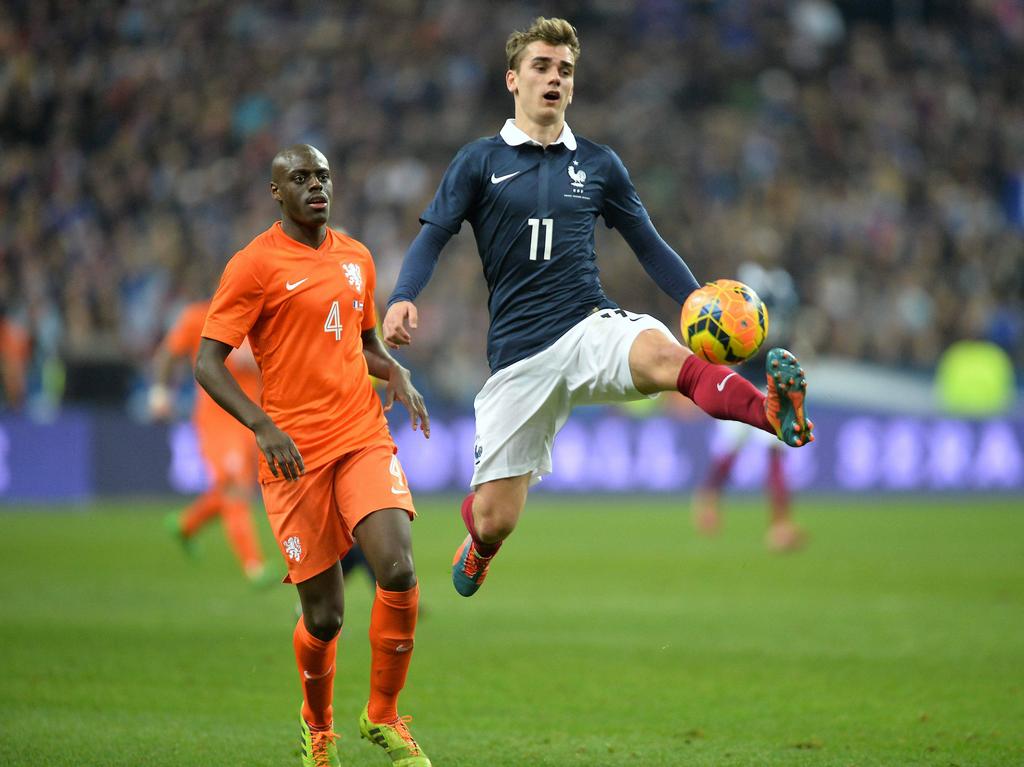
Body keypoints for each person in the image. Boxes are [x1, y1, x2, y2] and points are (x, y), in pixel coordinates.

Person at [383, 17, 814, 599]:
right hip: (517, 358)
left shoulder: (599, 164)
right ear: (513, 80)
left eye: (564, 69)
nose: (553, 78)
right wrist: (404, 297)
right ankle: (480, 547)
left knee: (667, 356)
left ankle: (770, 413)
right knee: (495, 518)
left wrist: (693, 299)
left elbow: (647, 243)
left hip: (589, 323)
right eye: (541, 67)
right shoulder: (479, 161)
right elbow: (433, 235)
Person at [195, 144, 432, 767]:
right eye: (300, 178)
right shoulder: (252, 266)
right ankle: (319, 725)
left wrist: (396, 373)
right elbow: (206, 362)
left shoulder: (356, 257)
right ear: (277, 192)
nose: (315, 186)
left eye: (322, 176)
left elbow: (364, 342)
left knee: (399, 570)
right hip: (294, 456)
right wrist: (261, 425)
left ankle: (382, 715)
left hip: (361, 435)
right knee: (325, 618)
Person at [149, 297, 273, 583]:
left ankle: (185, 524)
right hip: (216, 418)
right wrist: (159, 393)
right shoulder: (198, 317)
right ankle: (254, 567)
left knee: (237, 490)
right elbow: (168, 353)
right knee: (233, 488)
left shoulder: (260, 321)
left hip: (251, 419)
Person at [692, 255, 807, 552]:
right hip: (743, 383)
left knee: (774, 451)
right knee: (729, 452)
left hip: (774, 384)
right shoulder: (752, 285)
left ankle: (779, 525)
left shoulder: (782, 287)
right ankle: (708, 501)